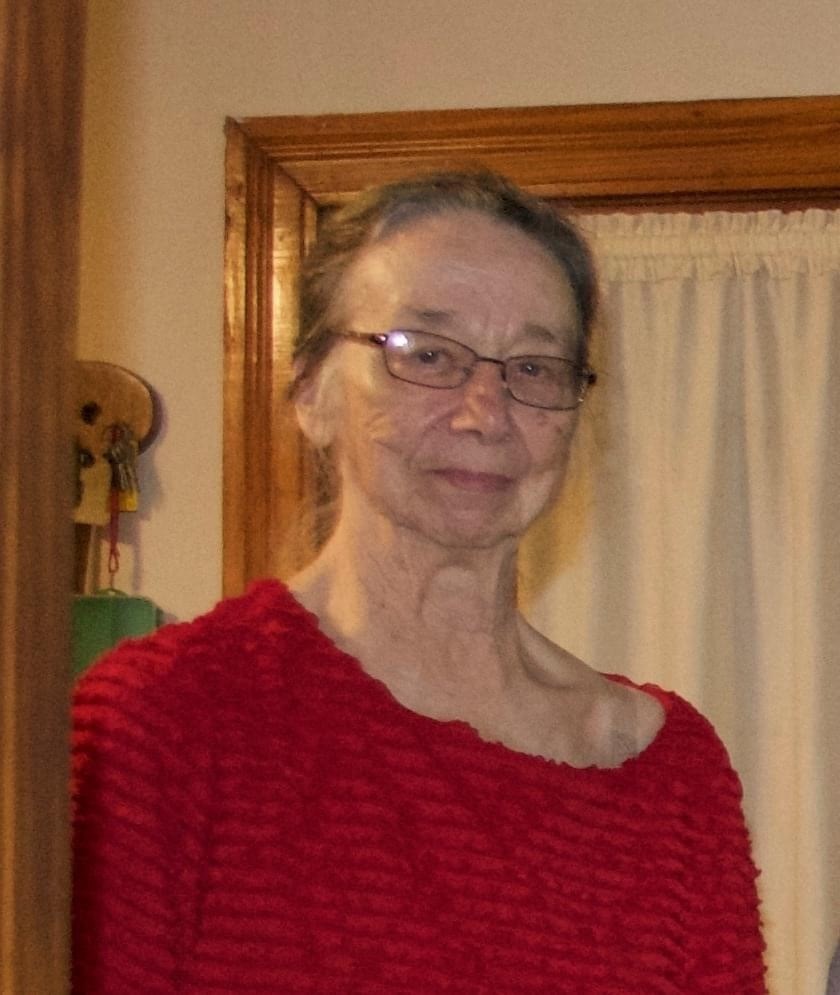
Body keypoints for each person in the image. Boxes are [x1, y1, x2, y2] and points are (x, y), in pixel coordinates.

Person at [71, 171, 766, 993]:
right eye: (426, 354)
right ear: (311, 392)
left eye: (535, 368)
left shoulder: (669, 776)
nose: (485, 410)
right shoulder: (162, 721)